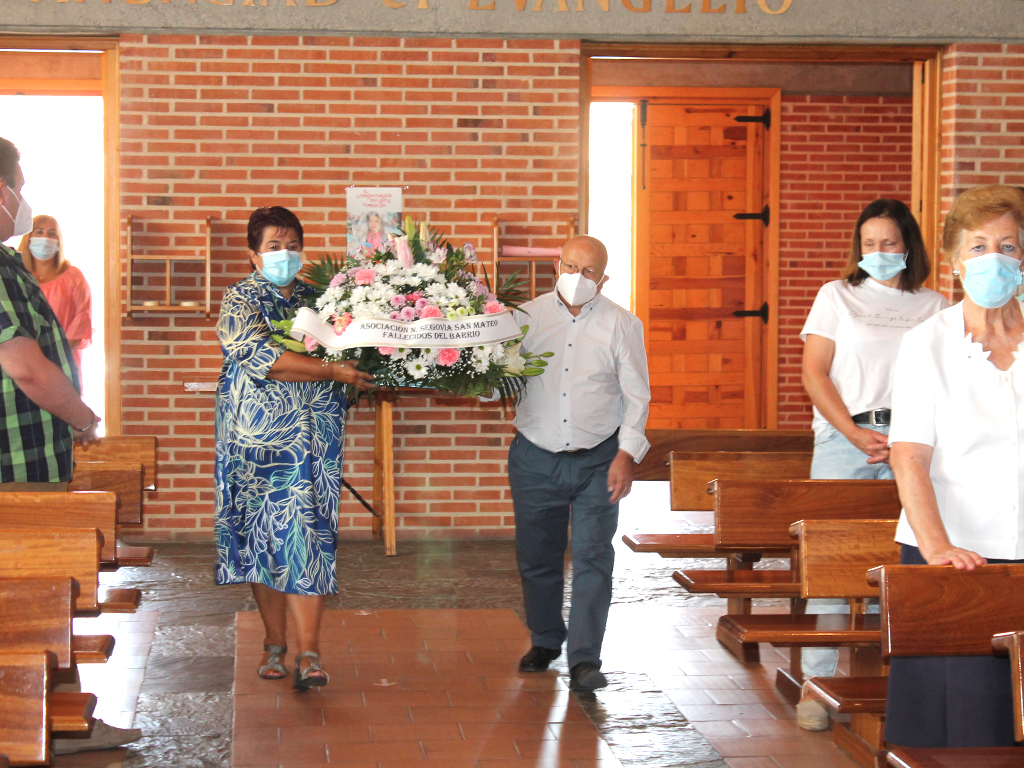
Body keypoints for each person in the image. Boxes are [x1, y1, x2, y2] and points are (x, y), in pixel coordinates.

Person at [0, 136, 141, 753]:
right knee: (32, 597)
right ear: (2, 193)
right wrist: (85, 420)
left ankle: (65, 721)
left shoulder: (10, 263)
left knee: (48, 591)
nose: (24, 202)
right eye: (20, 187)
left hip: (32, 460)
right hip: (14, 466)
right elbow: (25, 367)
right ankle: (41, 728)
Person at [797, 198, 948, 730]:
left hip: (912, 443)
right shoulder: (837, 295)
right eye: (868, 244)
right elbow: (815, 373)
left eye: (888, 243)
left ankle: (900, 686)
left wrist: (907, 437)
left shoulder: (934, 305)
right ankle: (817, 687)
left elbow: (942, 382)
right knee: (831, 565)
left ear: (909, 245)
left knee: (907, 562)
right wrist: (854, 432)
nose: (878, 253)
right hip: (846, 438)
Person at [886, 184, 1024, 748]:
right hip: (955, 557)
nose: (994, 258)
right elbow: (909, 456)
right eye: (977, 246)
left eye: (1009, 245)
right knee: (965, 728)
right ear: (953, 262)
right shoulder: (928, 344)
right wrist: (938, 546)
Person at [214, 205, 373, 690]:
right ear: (253, 254)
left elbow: (353, 349)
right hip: (256, 444)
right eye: (272, 246)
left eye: (291, 244)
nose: (284, 254)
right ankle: (273, 643)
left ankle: (309, 652)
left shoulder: (323, 299)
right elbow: (262, 357)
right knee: (264, 539)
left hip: (315, 445)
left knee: (312, 537)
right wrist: (331, 371)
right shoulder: (239, 299)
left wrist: (370, 366)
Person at [508, 234, 651, 692]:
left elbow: (637, 397)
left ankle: (585, 657)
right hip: (534, 455)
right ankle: (546, 639)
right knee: (538, 557)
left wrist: (627, 454)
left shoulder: (622, 325)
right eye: (570, 267)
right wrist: (471, 367)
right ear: (557, 266)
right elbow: (498, 386)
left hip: (598, 459)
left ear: (603, 278)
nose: (577, 277)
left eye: (588, 271)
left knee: (592, 556)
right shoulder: (523, 319)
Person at [17, 215, 92, 373]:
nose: (45, 238)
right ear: (28, 237)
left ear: (59, 242)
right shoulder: (16, 275)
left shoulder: (73, 276)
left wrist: (55, 358)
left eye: (52, 233)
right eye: (39, 232)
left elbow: (82, 318)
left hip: (63, 363)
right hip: (22, 365)